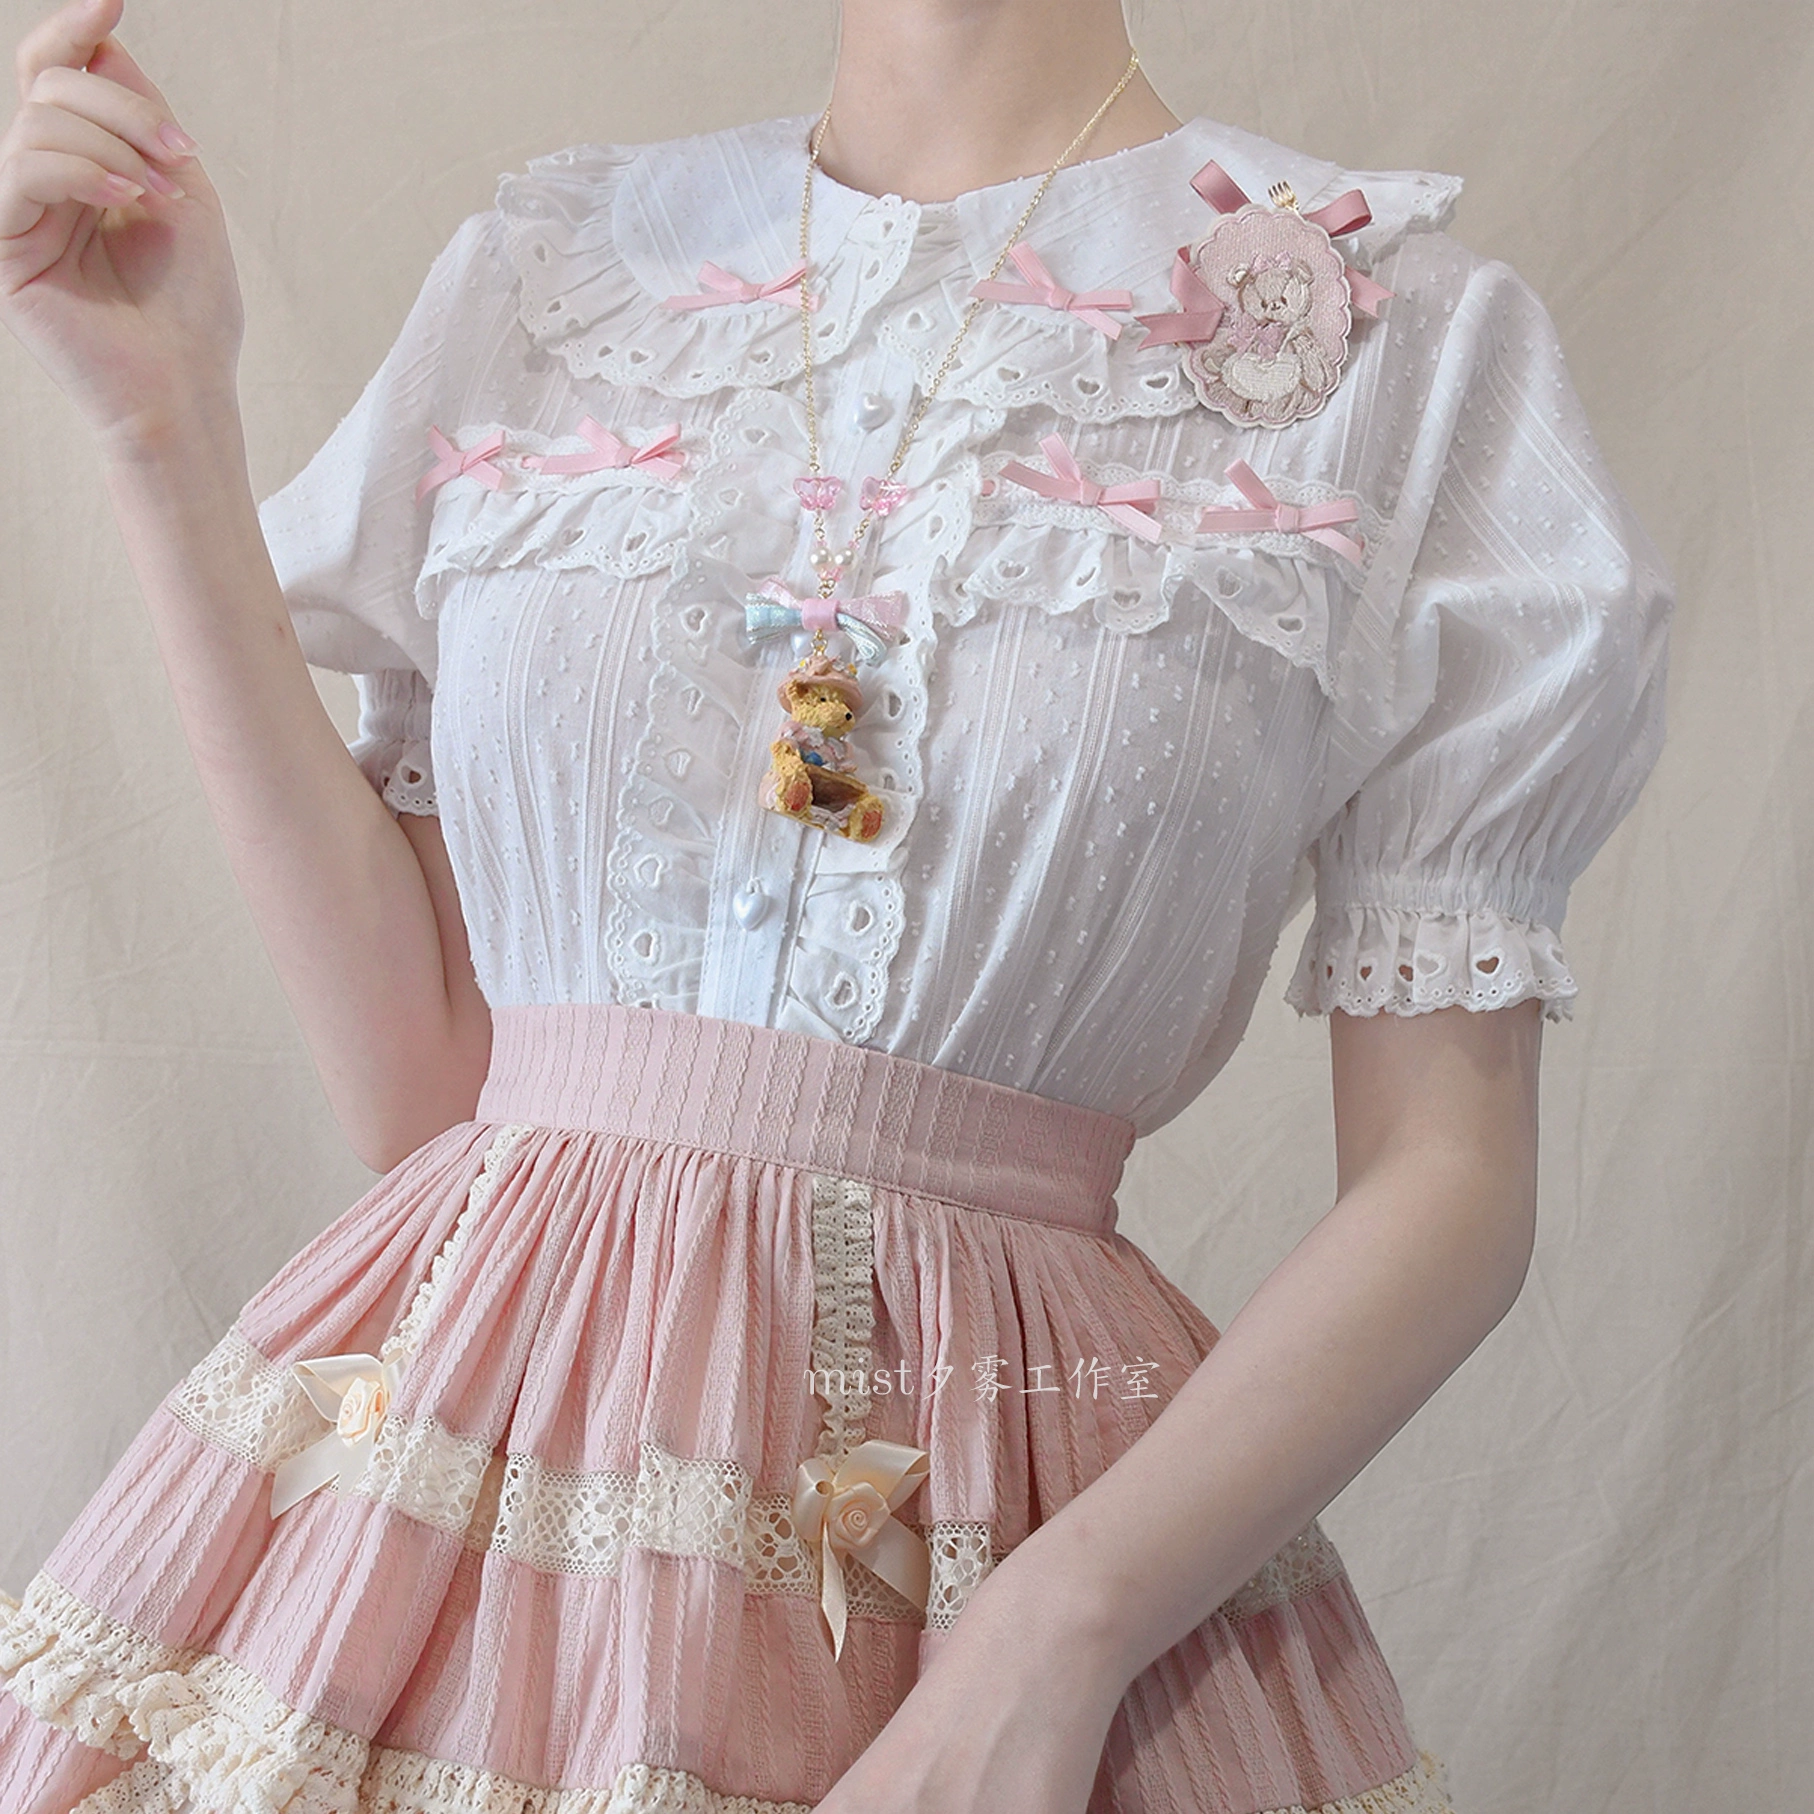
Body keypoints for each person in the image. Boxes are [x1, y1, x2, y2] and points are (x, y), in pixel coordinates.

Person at [0, 0, 1672, 1809]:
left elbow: (1447, 1178)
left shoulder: (1397, 341)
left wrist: (1058, 1633)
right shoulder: (550, 281)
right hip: (469, 1494)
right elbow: (433, 1087)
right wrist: (163, 421)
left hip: (989, 1532)